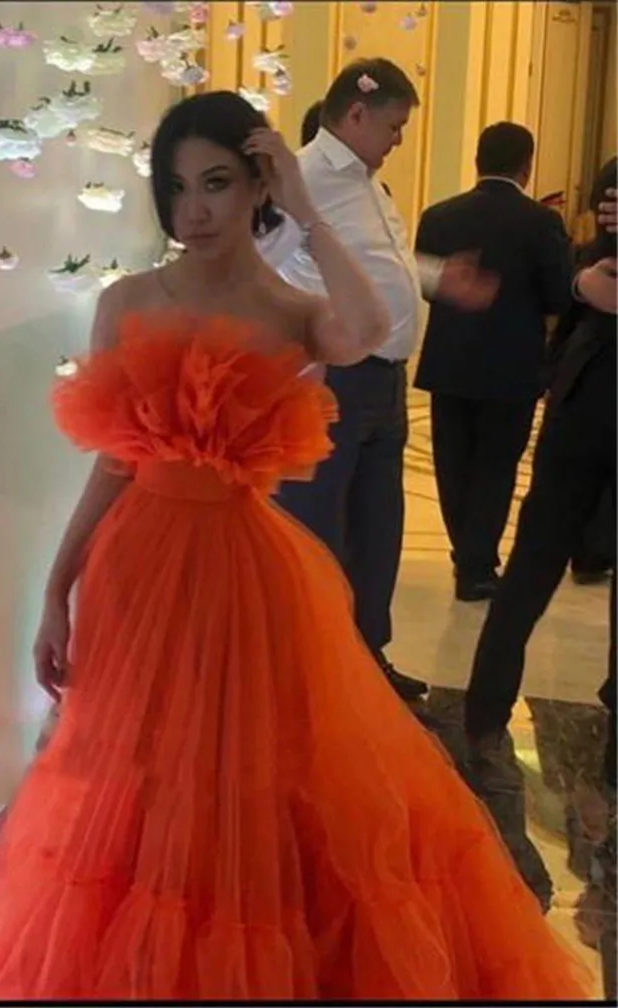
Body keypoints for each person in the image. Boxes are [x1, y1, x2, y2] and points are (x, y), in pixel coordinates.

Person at [0, 91, 591, 1001]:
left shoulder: (292, 309)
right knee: (136, 775)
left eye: (217, 183)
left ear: (258, 185)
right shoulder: (127, 302)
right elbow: (114, 463)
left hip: (244, 572)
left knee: (247, 777)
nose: (194, 209)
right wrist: (58, 589)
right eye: (177, 189)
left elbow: (370, 328)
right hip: (135, 569)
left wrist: (307, 203)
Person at [260, 59, 498, 700]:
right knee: (319, 532)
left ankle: (367, 662)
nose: (398, 140)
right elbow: (260, 269)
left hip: (385, 382)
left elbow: (376, 260)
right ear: (357, 113)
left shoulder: (367, 183)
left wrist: (436, 277)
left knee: (378, 532)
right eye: (393, 126)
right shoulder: (302, 179)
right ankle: (315, 673)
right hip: (333, 380)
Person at [464, 159, 616, 757]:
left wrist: (581, 285)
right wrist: (582, 284)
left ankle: (482, 718)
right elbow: (584, 277)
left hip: (578, 403)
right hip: (581, 412)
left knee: (530, 568)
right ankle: (483, 715)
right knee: (531, 567)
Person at [414, 122, 572, 601]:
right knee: (496, 467)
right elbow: (559, 294)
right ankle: (477, 566)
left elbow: (425, 284)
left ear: (477, 160)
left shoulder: (438, 217)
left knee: (453, 465)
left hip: (448, 363)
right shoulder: (540, 222)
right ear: (526, 166)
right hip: (512, 365)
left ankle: (467, 554)